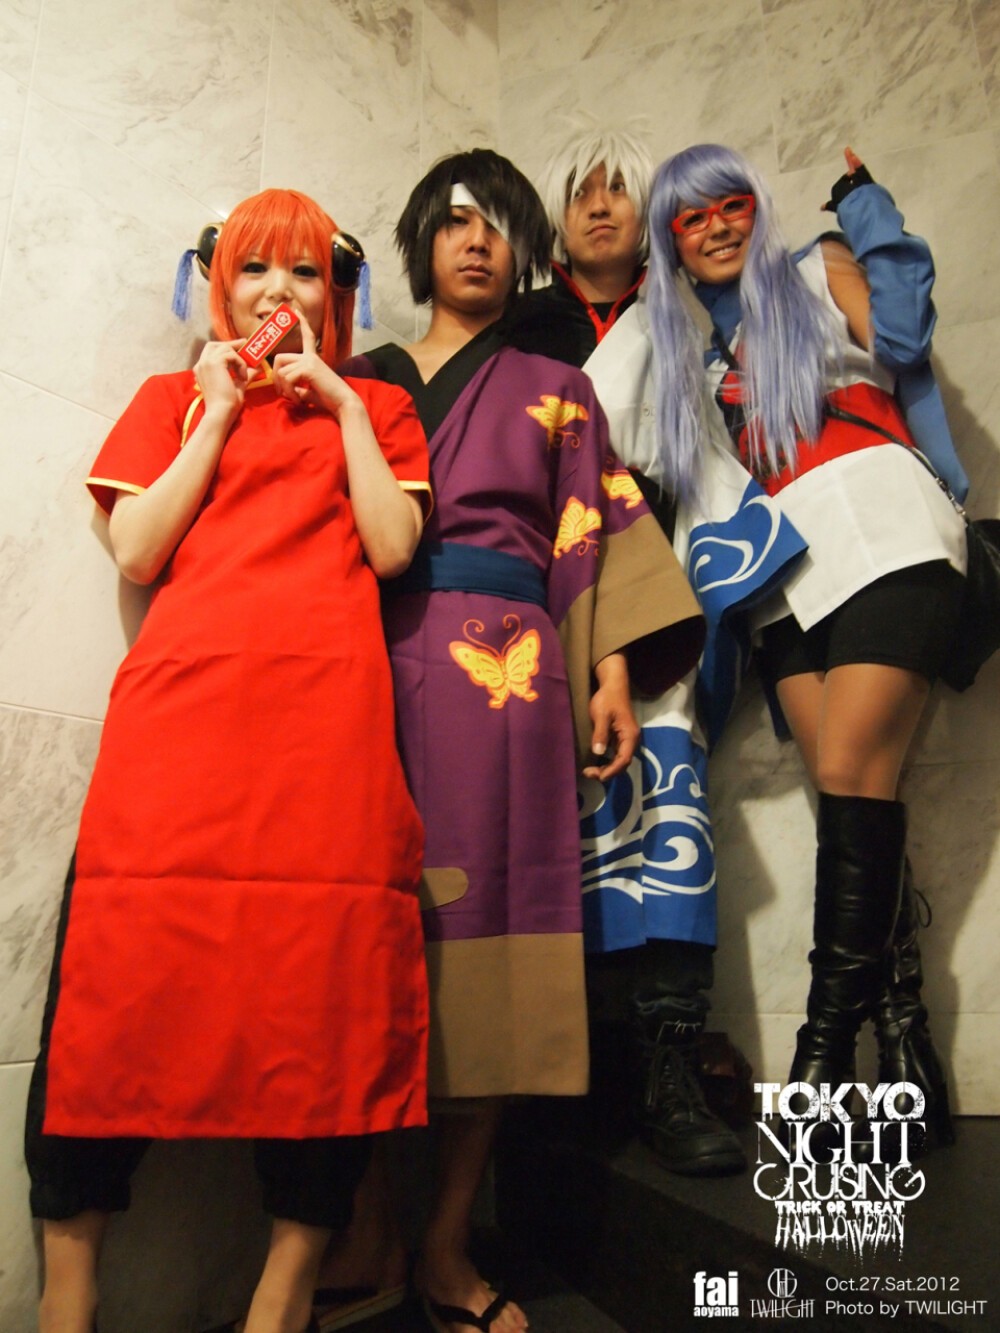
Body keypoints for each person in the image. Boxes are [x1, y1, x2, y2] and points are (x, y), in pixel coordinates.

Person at [24, 188, 432, 1333]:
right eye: (255, 269)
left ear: (334, 297)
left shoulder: (380, 407)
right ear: (218, 286)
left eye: (304, 273)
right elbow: (138, 548)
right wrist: (212, 415)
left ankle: (281, 1296)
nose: (277, 294)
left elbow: (393, 546)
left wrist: (341, 405)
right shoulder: (170, 399)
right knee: (110, 987)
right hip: (179, 734)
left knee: (325, 999)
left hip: (328, 743)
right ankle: (66, 1300)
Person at [330, 148, 704, 1333]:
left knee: (488, 951)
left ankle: (445, 1242)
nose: (476, 239)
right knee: (359, 949)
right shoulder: (361, 381)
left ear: (524, 249)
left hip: (506, 677)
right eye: (453, 220)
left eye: (497, 221)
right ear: (418, 244)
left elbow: (591, 528)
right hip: (361, 665)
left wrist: (609, 671)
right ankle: (369, 1228)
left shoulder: (557, 385)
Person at [643, 143, 968, 1153]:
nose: (716, 227)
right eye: (691, 219)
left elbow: (904, 335)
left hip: (880, 524)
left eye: (730, 205)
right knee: (851, 797)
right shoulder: (689, 355)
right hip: (779, 574)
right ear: (672, 245)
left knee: (850, 772)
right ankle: (907, 1042)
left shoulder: (814, 268)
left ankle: (821, 1062)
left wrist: (868, 212)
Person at [511, 121, 766, 1178]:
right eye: (582, 191)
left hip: (655, 584)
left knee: (667, 814)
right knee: (542, 822)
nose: (600, 205)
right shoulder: (521, 324)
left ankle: (666, 1070)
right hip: (540, 588)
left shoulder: (692, 314)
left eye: (619, 188)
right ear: (557, 218)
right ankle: (567, 1083)